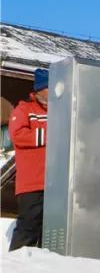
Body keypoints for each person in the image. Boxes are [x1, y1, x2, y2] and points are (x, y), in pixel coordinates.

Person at [8, 68, 49, 251]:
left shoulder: (61, 111)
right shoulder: (24, 109)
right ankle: (16, 266)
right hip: (32, 183)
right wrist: (50, 134)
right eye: (51, 87)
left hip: (55, 184)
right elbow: (17, 135)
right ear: (40, 89)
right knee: (29, 226)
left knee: (48, 230)